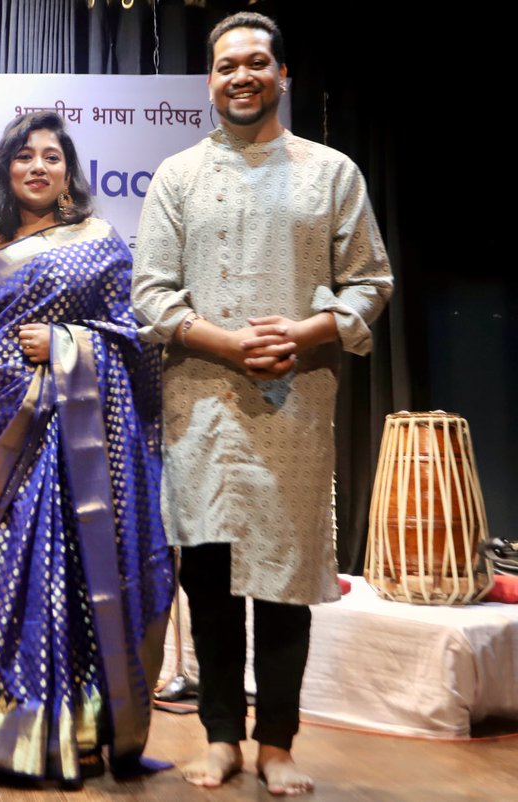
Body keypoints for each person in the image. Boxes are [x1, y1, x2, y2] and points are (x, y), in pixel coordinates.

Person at [132, 12, 393, 796]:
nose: (239, 76)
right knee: (208, 582)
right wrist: (226, 344)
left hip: (294, 407)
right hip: (202, 406)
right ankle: (220, 738)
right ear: (209, 81)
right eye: (224, 66)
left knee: (284, 584)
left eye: (254, 63)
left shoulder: (332, 173)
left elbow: (370, 282)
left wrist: (310, 329)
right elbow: (151, 293)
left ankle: (277, 742)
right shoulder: (176, 176)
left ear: (282, 76)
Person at [0, 111, 174, 786]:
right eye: (23, 157)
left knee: (85, 578)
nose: (36, 167)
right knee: (11, 576)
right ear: (6, 171)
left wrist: (63, 345)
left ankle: (86, 731)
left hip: (84, 442)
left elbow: (134, 340)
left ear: (67, 172)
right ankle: (14, 731)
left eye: (50, 157)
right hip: (9, 435)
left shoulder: (101, 240)